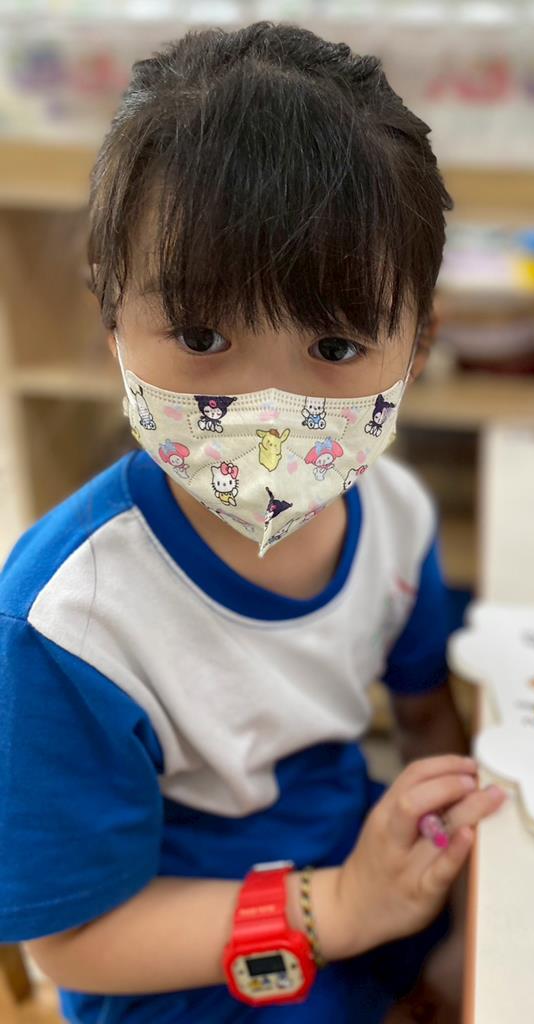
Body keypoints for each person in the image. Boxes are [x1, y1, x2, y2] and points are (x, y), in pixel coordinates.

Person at [0, 21, 505, 1024]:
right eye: (201, 335)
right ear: (112, 320)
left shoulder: (397, 518)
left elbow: (425, 721)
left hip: (357, 875)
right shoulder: (68, 621)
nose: (269, 407)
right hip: (184, 971)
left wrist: (438, 909)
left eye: (335, 345)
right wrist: (340, 907)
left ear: (417, 344)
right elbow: (75, 943)